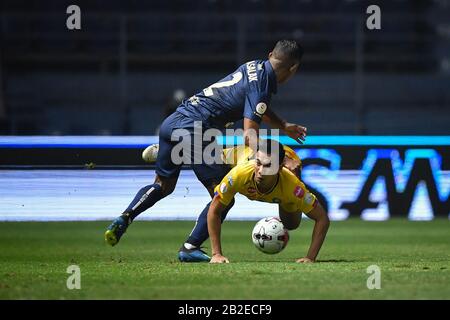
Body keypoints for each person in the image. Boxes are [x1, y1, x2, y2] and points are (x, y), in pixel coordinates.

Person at [104, 40, 308, 261]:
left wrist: (283, 125)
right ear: (293, 68)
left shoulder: (254, 67)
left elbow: (259, 108)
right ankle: (190, 247)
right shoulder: (263, 86)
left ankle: (125, 217)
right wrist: (281, 158)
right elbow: (249, 135)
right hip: (196, 131)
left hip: (173, 122)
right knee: (224, 197)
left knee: (162, 186)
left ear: (271, 54)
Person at [207, 139, 330, 264]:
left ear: (280, 167)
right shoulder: (239, 174)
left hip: (287, 167)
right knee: (219, 202)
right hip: (226, 158)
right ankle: (191, 246)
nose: (260, 171)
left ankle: (286, 200)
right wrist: (216, 254)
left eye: (268, 166)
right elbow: (214, 211)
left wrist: (310, 258)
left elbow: (322, 219)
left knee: (291, 224)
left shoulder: (292, 186)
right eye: (258, 163)